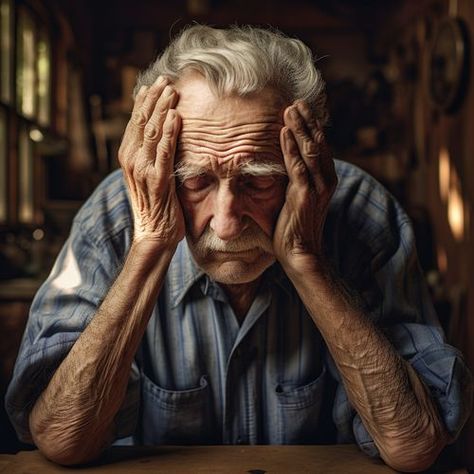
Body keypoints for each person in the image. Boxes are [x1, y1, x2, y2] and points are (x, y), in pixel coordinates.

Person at [5, 24, 472, 470]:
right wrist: (150, 246)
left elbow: (413, 444)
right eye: (195, 181)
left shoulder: (363, 214)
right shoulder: (112, 217)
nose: (226, 225)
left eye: (259, 182)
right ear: (159, 165)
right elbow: (64, 438)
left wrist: (308, 263)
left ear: (303, 160)